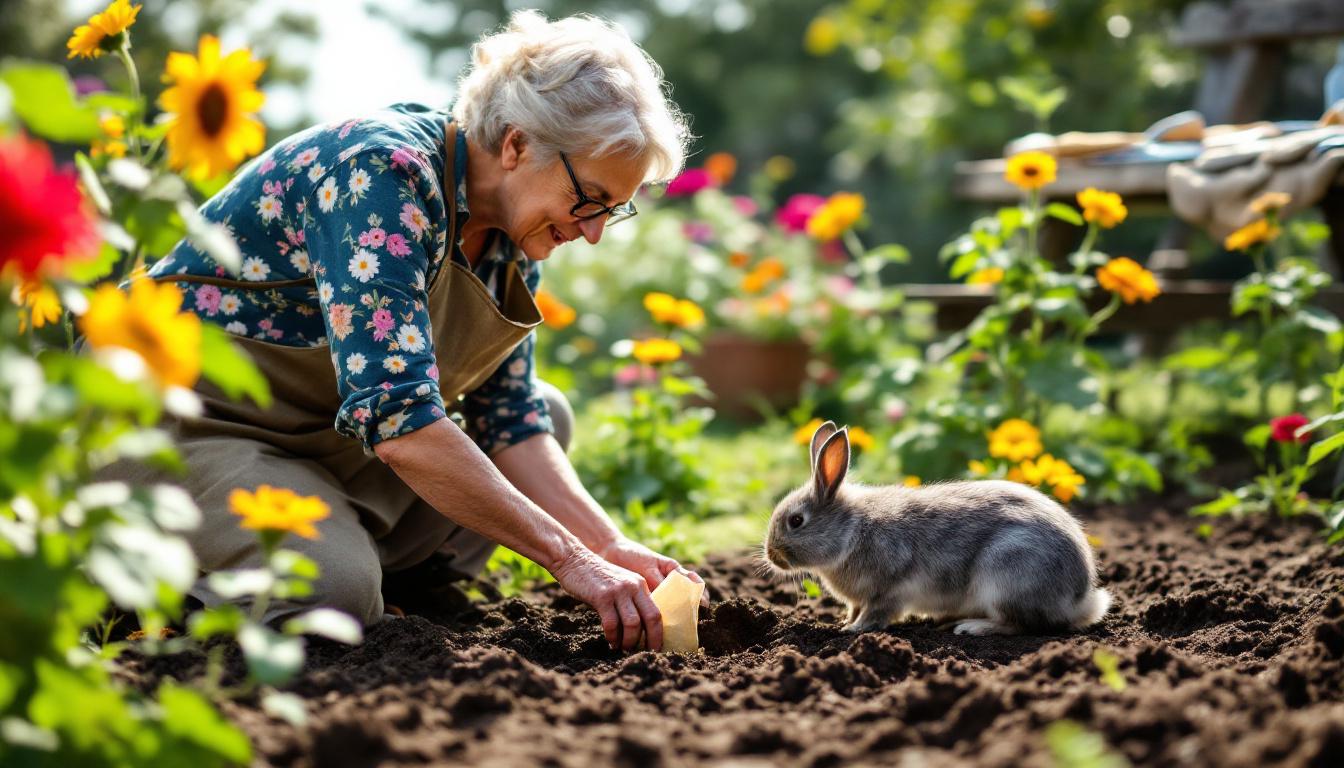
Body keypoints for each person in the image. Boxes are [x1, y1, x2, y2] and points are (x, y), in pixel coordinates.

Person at [116, 10, 700, 652]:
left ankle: (372, 574)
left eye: (612, 210)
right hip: (186, 423)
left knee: (547, 416)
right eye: (588, 198)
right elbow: (399, 422)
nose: (592, 229)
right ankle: (131, 576)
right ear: (516, 145)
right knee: (328, 598)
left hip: (320, 442)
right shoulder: (381, 175)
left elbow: (510, 421)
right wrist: (572, 560)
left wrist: (608, 544)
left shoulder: (511, 234)